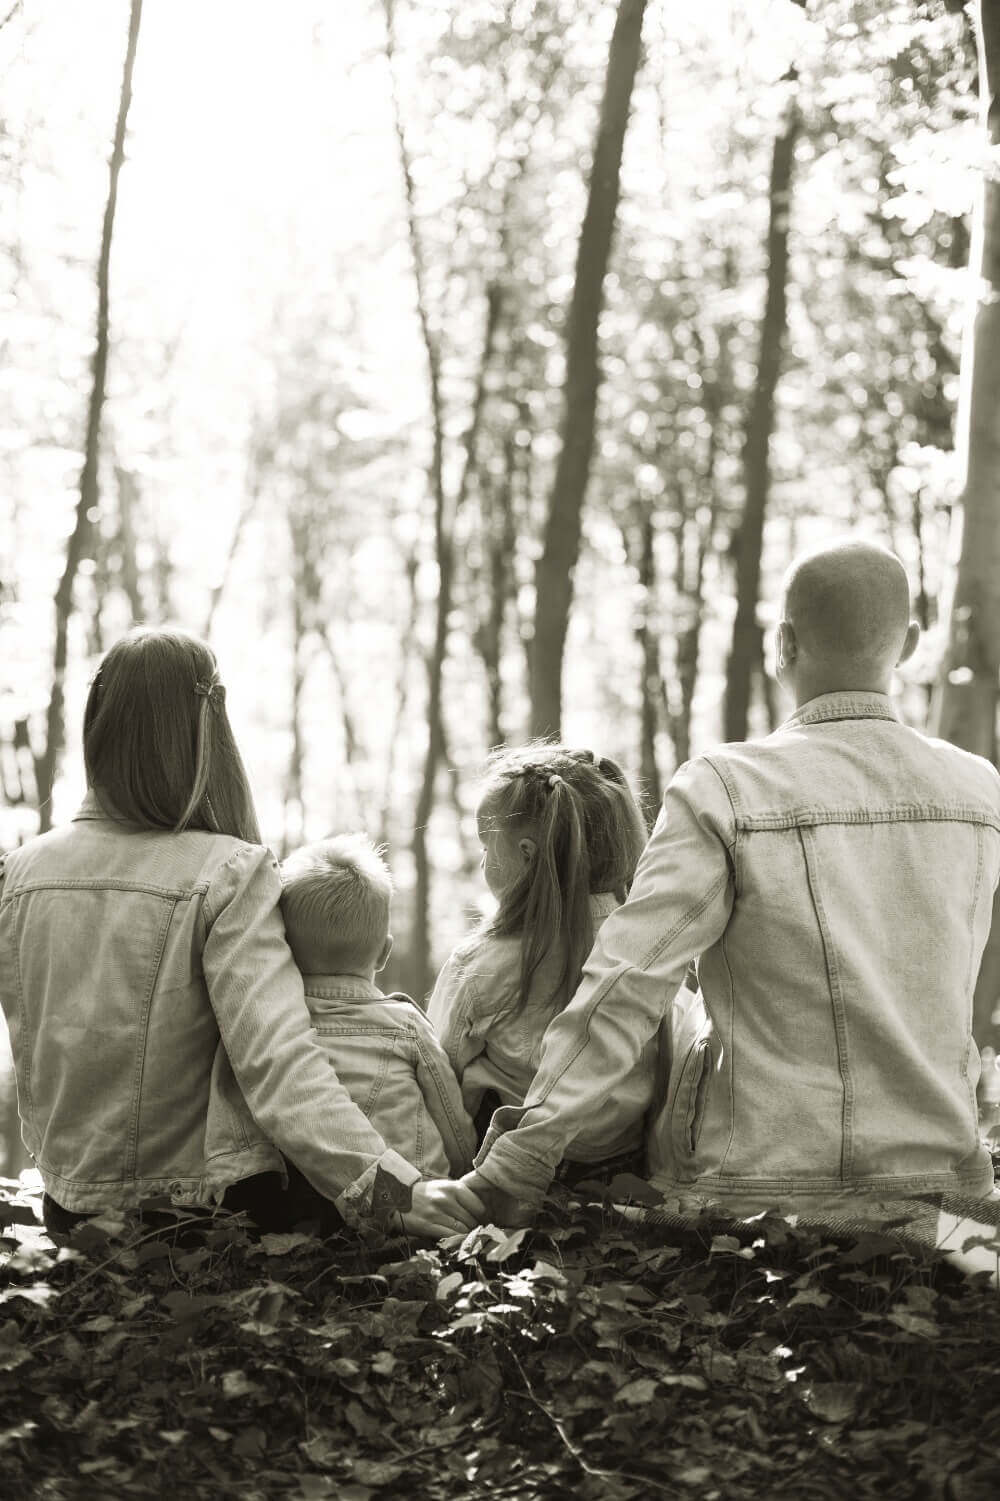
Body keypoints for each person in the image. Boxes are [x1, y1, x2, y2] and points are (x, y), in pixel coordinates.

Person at [463, 539, 1000, 1221]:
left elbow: (625, 985)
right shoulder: (981, 792)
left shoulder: (726, 787)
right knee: (967, 1252)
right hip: (946, 1195)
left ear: (783, 645)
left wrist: (517, 1163)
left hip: (757, 1194)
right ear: (912, 643)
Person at [0, 627, 483, 1240]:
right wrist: (392, 1193)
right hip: (199, 1217)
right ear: (206, 733)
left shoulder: (17, 873)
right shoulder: (227, 871)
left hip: (69, 1212)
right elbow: (279, 1065)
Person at [427, 744, 654, 1186]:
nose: (482, 861)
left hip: (507, 1177)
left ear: (528, 856)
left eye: (486, 847)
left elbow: (440, 1080)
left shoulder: (481, 963)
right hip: (624, 1171)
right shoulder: (649, 949)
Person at [276, 833, 475, 1223]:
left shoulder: (276, 1027)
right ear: (384, 953)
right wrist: (464, 1170)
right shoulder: (405, 1025)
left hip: (312, 1209)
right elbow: (452, 1122)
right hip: (415, 1204)